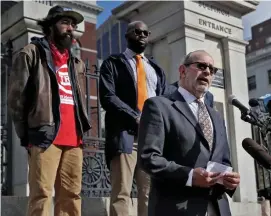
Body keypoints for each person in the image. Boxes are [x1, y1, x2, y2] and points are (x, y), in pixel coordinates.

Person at [8, 5, 91, 216]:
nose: (70, 28)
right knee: (42, 194)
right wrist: (27, 135)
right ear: (50, 26)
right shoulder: (31, 53)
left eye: (73, 24)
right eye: (65, 23)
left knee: (72, 195)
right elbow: (17, 100)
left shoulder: (77, 63)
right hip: (45, 136)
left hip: (74, 139)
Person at [138, 50, 240, 216]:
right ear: (182, 71)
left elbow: (223, 161)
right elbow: (148, 158)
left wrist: (229, 181)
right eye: (201, 66)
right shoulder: (159, 106)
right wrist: (190, 176)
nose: (207, 71)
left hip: (217, 207)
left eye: (212, 70)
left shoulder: (216, 116)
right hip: (176, 207)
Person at [99, 20, 168, 216]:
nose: (142, 35)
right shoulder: (113, 63)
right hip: (124, 135)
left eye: (146, 32)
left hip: (151, 139)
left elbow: (162, 102)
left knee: (149, 193)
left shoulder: (156, 69)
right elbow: (108, 97)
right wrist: (135, 117)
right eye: (137, 32)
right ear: (127, 35)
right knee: (121, 193)